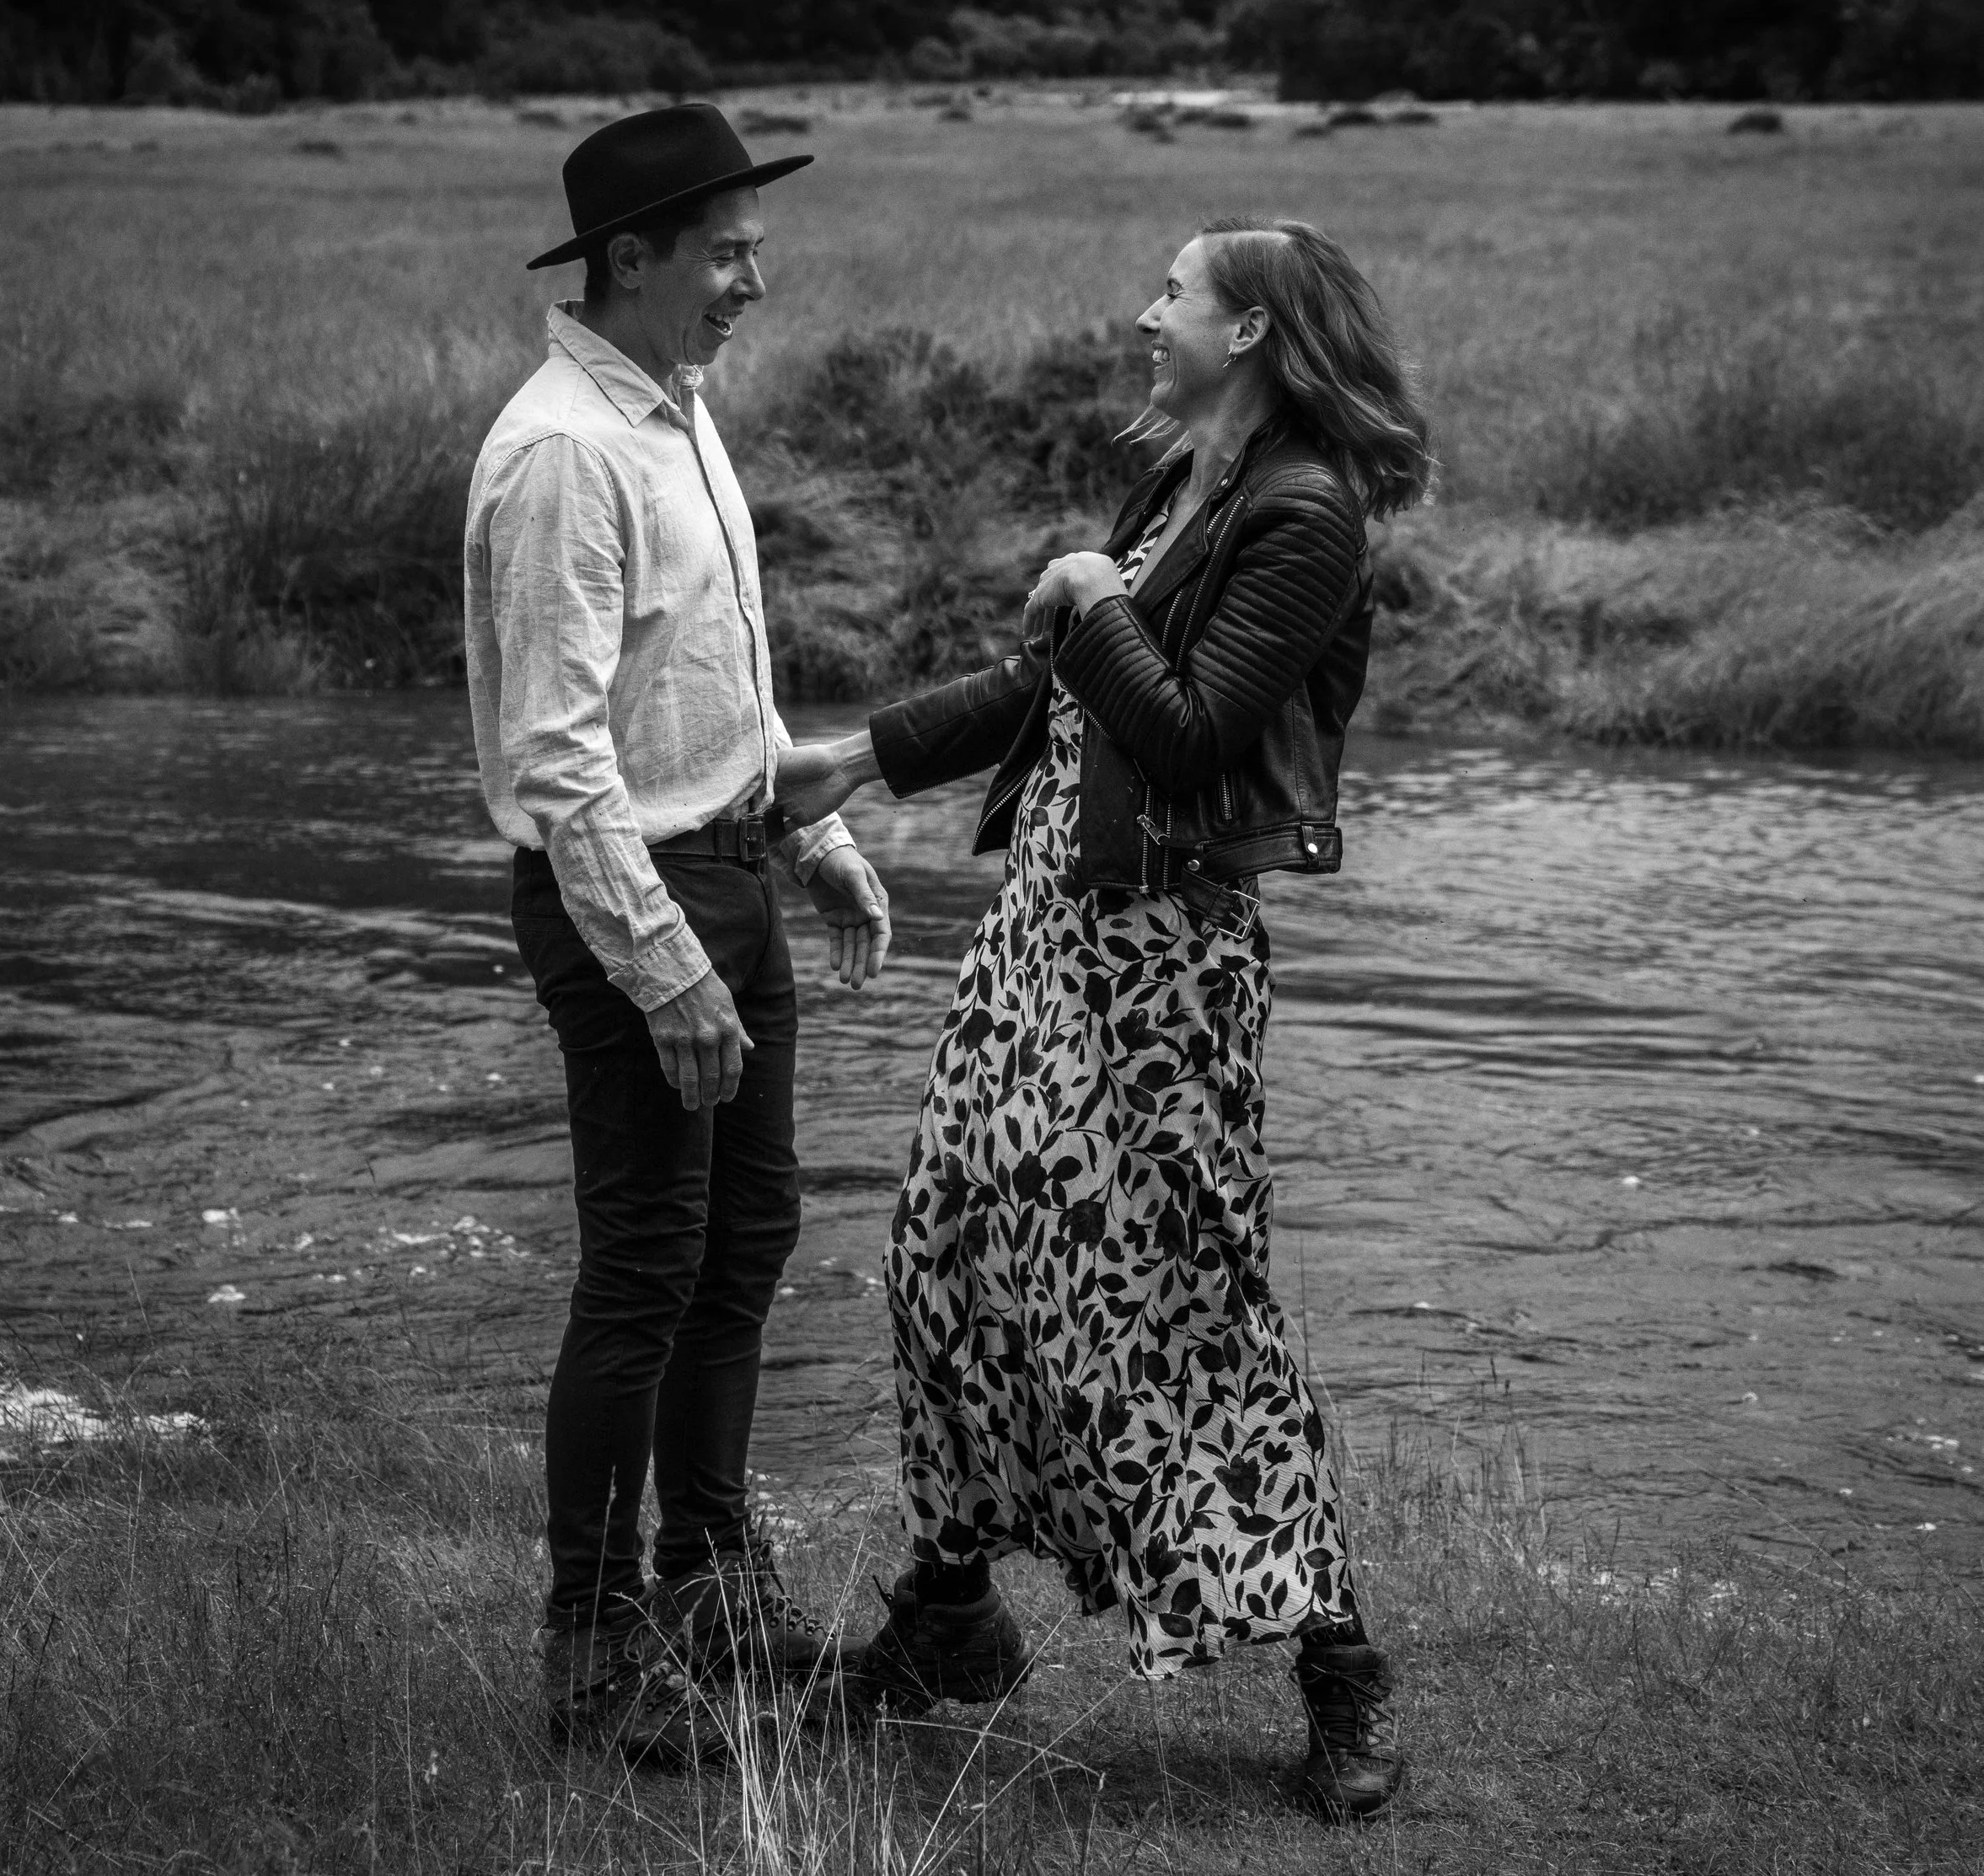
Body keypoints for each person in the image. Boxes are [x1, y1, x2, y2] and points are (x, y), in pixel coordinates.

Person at [796, 218, 1432, 1820]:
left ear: (1259, 332)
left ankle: (1340, 1669)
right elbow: (1059, 692)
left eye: (1177, 294)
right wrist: (859, 755)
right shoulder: (1183, 487)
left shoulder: (1307, 517)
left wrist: (1087, 589)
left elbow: (1196, 732)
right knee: (941, 1248)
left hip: (1165, 973)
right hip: (1043, 941)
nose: (1149, 314)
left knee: (1178, 1309)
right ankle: (948, 1612)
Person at [464, 105, 887, 1757]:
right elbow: (560, 764)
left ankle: (710, 1586)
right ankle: (592, 1647)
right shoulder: (564, 450)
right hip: (623, 894)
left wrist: (817, 836)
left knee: (746, 1243)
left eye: (753, 248)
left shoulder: (680, 412)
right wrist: (660, 962)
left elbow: (717, 681)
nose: (753, 283)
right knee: (643, 1270)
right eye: (726, 251)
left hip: (726, 864)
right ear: (628, 260)